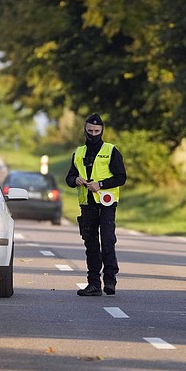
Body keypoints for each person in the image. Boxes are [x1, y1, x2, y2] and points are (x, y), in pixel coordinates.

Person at [65, 113, 127, 296]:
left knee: (107, 241)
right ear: (85, 130)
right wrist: (75, 179)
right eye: (90, 130)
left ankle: (110, 280)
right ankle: (93, 284)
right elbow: (69, 177)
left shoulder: (111, 150)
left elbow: (121, 177)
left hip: (106, 203)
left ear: (102, 131)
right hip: (87, 204)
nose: (93, 134)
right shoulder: (78, 153)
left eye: (96, 131)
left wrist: (100, 185)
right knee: (91, 243)